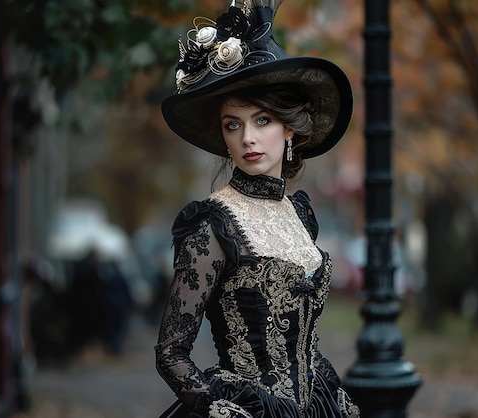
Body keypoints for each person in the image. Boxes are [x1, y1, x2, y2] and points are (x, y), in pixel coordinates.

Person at [155, 1, 358, 417]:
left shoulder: (299, 215)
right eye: (233, 124)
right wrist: (219, 410)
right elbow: (171, 352)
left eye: (262, 120)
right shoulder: (212, 225)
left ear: (288, 129)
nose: (248, 138)